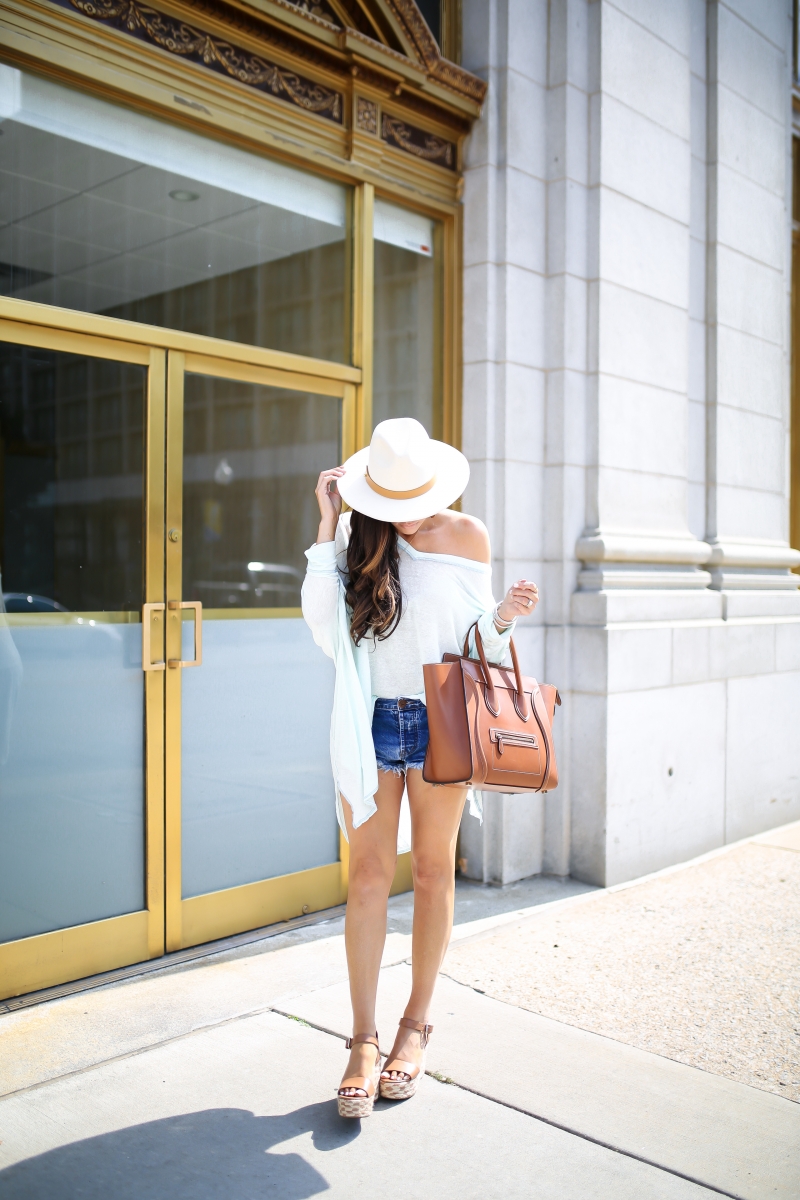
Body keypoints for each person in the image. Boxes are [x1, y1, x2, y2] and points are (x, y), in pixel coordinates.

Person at [301, 418, 539, 1118]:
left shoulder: (469, 536)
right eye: (391, 498)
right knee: (368, 878)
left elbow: (477, 647)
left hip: (442, 723)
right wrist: (327, 528)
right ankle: (363, 1041)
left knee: (434, 871)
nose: (402, 513)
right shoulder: (358, 536)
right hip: (370, 722)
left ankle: (416, 1027)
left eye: (411, 498)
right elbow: (322, 627)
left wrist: (503, 618)